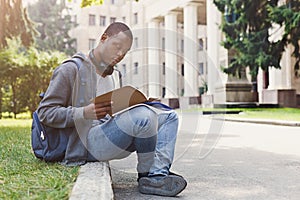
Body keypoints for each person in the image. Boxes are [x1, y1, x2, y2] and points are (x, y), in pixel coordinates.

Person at [37, 22, 187, 197]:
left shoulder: (115, 75)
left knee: (169, 117)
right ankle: (152, 177)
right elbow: (45, 112)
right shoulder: (71, 69)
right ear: (103, 39)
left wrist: (140, 104)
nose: (120, 54)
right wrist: (83, 112)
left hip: (110, 135)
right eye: (117, 47)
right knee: (144, 117)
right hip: (85, 142)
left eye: (125, 52)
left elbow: (116, 113)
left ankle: (155, 175)